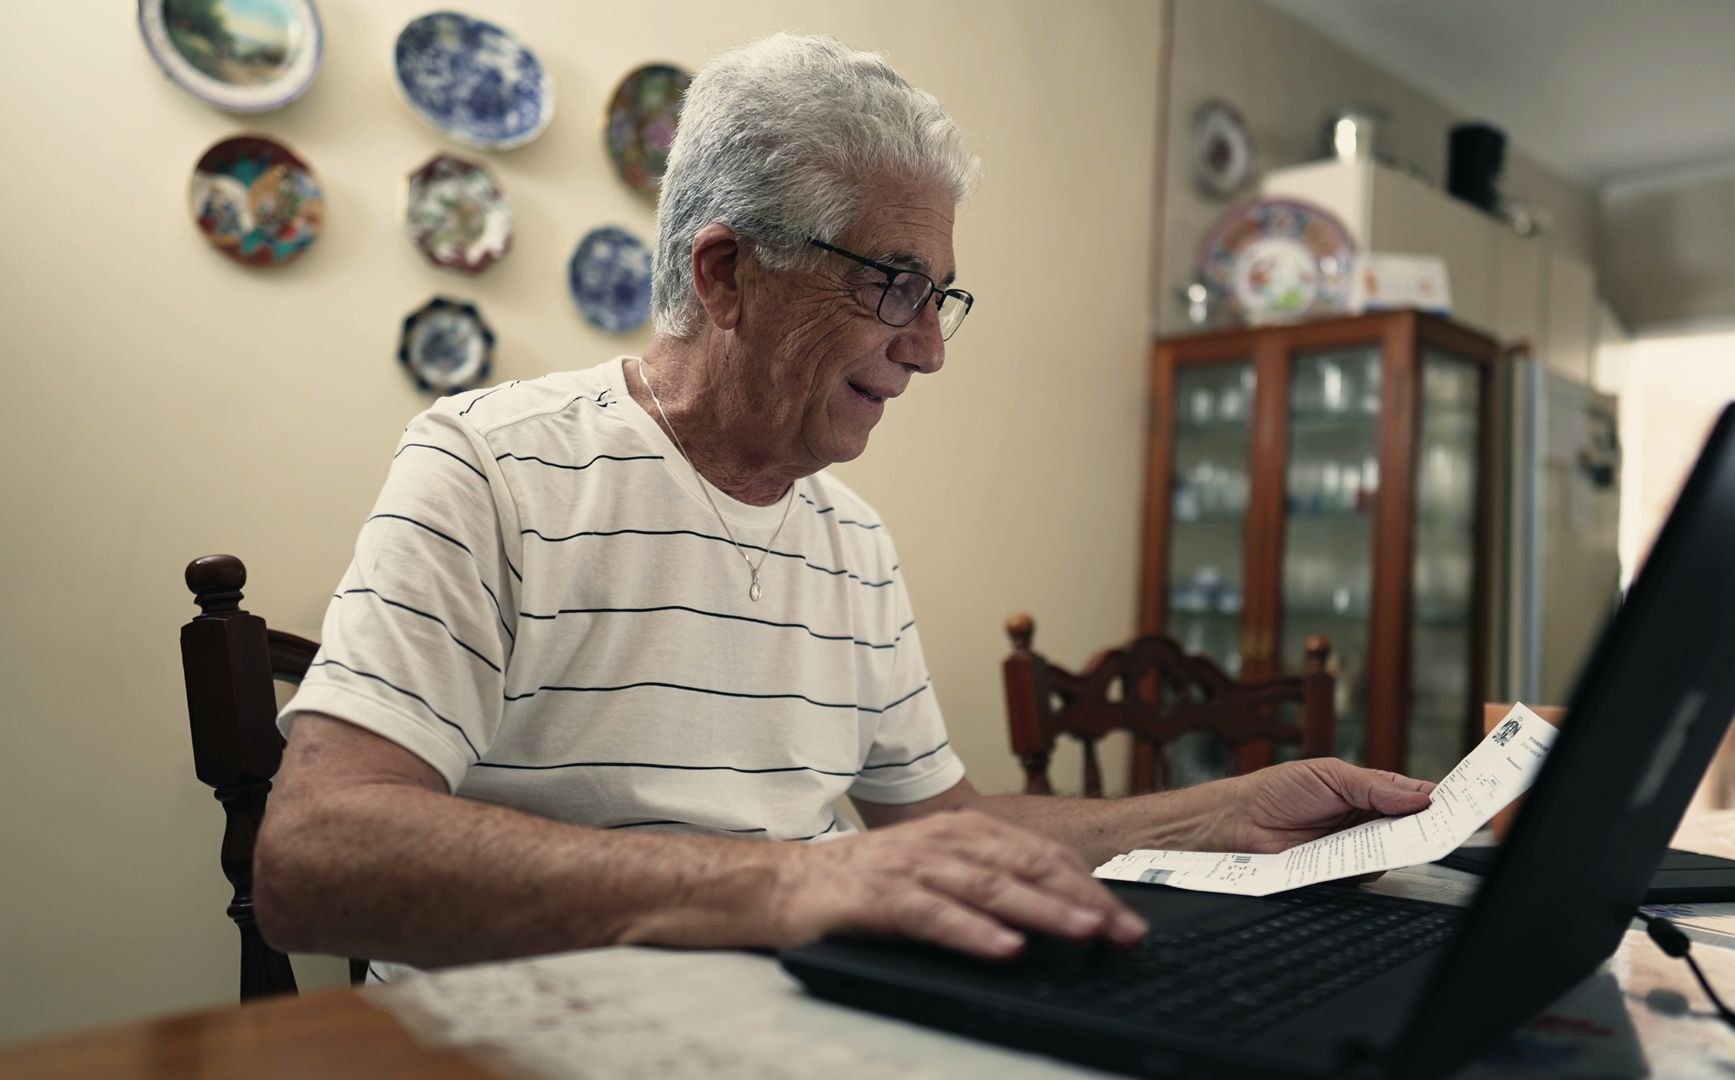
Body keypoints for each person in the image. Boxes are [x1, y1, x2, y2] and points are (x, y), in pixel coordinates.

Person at [255, 33, 1434, 982]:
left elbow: (942, 824)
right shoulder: (488, 465)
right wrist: (783, 883)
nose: (926, 350)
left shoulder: (852, 541)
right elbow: (316, 856)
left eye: (940, 297)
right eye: (891, 285)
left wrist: (1218, 817)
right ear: (726, 275)